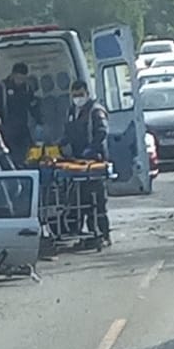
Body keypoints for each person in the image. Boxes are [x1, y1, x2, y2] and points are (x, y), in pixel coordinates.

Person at [59, 80, 111, 245]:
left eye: (80, 95)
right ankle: (84, 235)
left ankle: (102, 234)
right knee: (80, 201)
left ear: (87, 94)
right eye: (74, 95)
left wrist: (92, 149)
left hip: (94, 163)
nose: (77, 98)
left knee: (97, 201)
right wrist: (61, 144)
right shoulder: (72, 111)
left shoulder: (95, 111)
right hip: (77, 163)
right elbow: (69, 132)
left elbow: (102, 132)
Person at [0, 62, 44, 156]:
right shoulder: (1, 88)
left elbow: (32, 106)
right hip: (6, 129)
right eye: (19, 78)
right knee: (11, 154)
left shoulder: (27, 88)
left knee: (28, 154)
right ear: (13, 75)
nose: (20, 81)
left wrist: (40, 122)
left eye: (23, 78)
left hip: (23, 128)